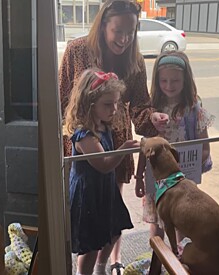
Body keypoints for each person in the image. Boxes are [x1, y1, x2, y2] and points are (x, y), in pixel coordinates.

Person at [58, 1, 167, 273]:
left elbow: (141, 105)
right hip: (81, 143)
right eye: (118, 30)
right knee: (86, 216)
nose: (124, 38)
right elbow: (61, 101)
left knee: (111, 211)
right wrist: (69, 145)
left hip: (116, 140)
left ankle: (108, 264)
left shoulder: (135, 59)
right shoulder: (76, 50)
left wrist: (151, 118)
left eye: (131, 32)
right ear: (103, 25)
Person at [134, 51, 215, 251]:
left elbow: (204, 148)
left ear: (185, 80)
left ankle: (180, 262)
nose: (169, 86)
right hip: (156, 179)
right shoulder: (151, 109)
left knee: (182, 222)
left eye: (175, 80)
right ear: (157, 80)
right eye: (164, 80)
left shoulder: (194, 109)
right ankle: (158, 260)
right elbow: (145, 145)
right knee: (156, 222)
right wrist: (138, 176)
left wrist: (192, 166)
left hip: (183, 184)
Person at [64, 68, 140, 275]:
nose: (114, 109)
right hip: (88, 192)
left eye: (116, 102)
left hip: (104, 188)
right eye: (108, 104)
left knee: (113, 230)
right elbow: (103, 164)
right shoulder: (84, 135)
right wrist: (124, 149)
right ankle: (84, 273)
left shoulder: (103, 127)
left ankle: (100, 268)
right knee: (91, 243)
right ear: (90, 105)